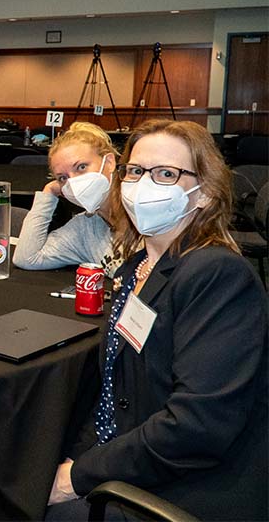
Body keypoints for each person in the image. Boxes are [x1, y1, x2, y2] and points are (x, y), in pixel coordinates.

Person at [46, 119, 267, 522]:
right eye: (136, 171)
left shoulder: (217, 275)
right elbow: (118, 387)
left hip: (189, 486)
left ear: (205, 194)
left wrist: (76, 476)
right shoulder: (138, 266)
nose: (144, 184)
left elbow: (196, 429)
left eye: (166, 174)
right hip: (133, 452)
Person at [14, 122, 121, 275]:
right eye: (63, 178)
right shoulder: (85, 227)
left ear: (109, 162)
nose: (73, 182)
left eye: (81, 167)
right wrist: (49, 191)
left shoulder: (145, 218)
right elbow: (27, 258)